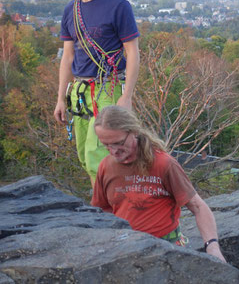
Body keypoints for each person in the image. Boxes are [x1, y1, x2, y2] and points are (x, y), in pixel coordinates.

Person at [91, 105, 227, 262]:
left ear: (134, 131)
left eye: (119, 142)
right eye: (106, 145)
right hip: (124, 250)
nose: (114, 151)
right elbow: (101, 212)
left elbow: (197, 206)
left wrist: (212, 247)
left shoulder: (164, 164)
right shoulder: (106, 166)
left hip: (166, 249)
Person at [53, 0, 140, 187]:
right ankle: (104, 206)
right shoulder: (70, 10)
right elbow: (67, 57)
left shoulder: (118, 6)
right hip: (80, 92)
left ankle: (106, 212)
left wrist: (127, 96)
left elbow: (133, 53)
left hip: (108, 88)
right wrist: (61, 98)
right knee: (84, 154)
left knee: (99, 153)